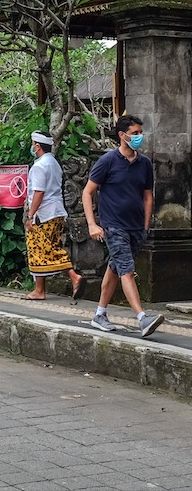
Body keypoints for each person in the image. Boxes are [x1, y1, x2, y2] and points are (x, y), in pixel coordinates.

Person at [82, 114, 164, 338]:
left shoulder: (144, 163)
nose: (139, 137)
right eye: (135, 133)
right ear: (122, 135)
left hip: (136, 227)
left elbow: (148, 195)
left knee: (115, 267)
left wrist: (146, 225)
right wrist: (92, 224)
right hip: (114, 226)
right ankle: (142, 318)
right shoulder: (107, 161)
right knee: (126, 269)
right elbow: (88, 192)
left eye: (140, 133)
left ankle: (99, 314)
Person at [22, 131, 86, 302]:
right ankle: (39, 289)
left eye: (33, 143)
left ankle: (73, 277)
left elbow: (39, 193)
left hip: (44, 214)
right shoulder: (54, 163)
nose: (32, 146)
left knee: (45, 248)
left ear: (37, 146)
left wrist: (30, 215)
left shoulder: (39, 166)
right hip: (57, 212)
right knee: (42, 249)